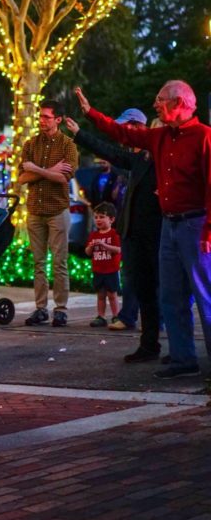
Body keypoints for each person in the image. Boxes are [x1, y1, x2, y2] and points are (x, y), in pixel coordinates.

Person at [76, 83, 211, 378]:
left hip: (195, 224)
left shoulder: (203, 137)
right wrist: (91, 115)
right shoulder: (161, 136)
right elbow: (123, 135)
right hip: (170, 225)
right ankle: (182, 359)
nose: (155, 105)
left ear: (178, 102)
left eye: (160, 101)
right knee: (171, 297)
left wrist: (208, 231)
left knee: (204, 295)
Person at [65, 109, 161, 361]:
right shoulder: (139, 158)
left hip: (157, 232)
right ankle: (149, 343)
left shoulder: (163, 159)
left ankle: (174, 347)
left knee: (162, 289)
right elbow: (110, 150)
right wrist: (80, 132)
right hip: (132, 231)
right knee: (142, 287)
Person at [19, 99, 79, 327]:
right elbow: (22, 178)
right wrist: (46, 171)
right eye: (40, 116)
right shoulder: (30, 145)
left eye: (46, 117)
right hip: (35, 210)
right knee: (38, 263)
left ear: (58, 119)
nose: (41, 121)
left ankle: (61, 309)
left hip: (57, 211)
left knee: (59, 262)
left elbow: (64, 177)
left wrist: (35, 169)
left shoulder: (68, 146)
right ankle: (41, 308)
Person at [85, 202, 122, 328]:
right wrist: (90, 247)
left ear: (111, 219)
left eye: (102, 217)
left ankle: (116, 315)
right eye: (96, 217)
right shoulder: (93, 236)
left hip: (111, 270)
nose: (98, 220)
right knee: (100, 294)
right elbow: (88, 252)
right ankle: (101, 316)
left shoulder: (114, 234)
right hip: (98, 270)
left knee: (112, 294)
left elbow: (118, 249)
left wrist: (104, 245)